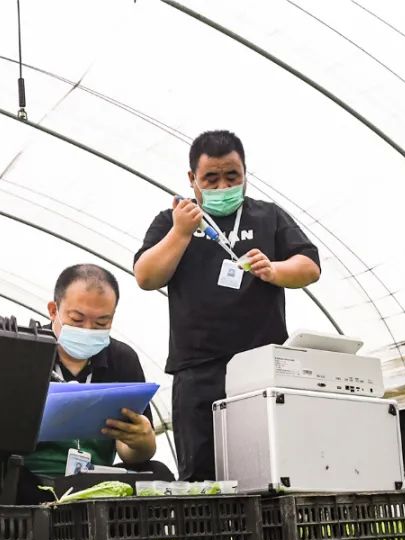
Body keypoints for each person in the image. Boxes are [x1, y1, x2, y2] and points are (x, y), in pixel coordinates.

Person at [134, 130, 321, 482]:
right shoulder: (171, 221)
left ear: (246, 173)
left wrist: (275, 269)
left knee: (268, 472)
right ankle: (210, 539)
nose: (223, 186)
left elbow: (310, 267)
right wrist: (180, 233)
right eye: (211, 178)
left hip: (261, 368)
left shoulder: (268, 216)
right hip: (197, 371)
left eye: (232, 176)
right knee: (203, 478)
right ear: (192, 180)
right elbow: (146, 276)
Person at [21, 264, 173, 488]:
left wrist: (142, 442)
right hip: (29, 478)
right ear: (54, 310)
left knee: (158, 473)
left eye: (102, 322)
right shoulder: (25, 350)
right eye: (77, 319)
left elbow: (130, 452)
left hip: (95, 481)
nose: (88, 329)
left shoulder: (122, 359)